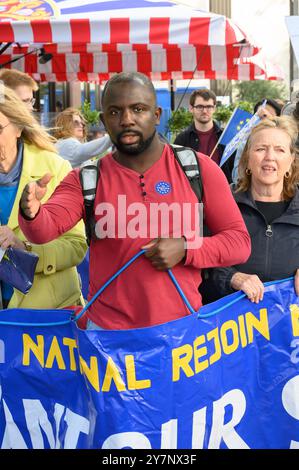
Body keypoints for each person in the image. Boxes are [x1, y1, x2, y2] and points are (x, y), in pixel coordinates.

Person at [19, 72, 250, 330]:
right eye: (115, 112)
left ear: (157, 115)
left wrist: (187, 249)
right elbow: (44, 228)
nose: (127, 119)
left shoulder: (197, 169)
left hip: (180, 338)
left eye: (138, 109)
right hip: (108, 337)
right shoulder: (86, 179)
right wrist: (31, 211)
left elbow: (239, 242)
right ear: (104, 120)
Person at [0, 86, 87, 309]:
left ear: (18, 127)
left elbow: (77, 246)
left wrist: (25, 248)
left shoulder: (54, 167)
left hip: (47, 318)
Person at [209, 116, 299, 303]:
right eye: (261, 149)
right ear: (248, 159)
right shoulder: (222, 203)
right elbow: (202, 264)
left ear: (291, 161)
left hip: (289, 326)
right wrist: (233, 278)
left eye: (279, 150)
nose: (270, 157)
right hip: (232, 326)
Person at [173, 89, 232, 181]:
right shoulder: (182, 140)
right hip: (193, 193)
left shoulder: (225, 137)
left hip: (223, 191)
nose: (204, 111)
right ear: (191, 108)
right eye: (200, 106)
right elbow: (176, 171)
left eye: (209, 106)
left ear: (214, 108)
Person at [232, 98, 283, 184]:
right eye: (259, 117)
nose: (263, 121)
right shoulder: (245, 145)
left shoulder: (286, 143)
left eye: (267, 116)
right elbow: (237, 178)